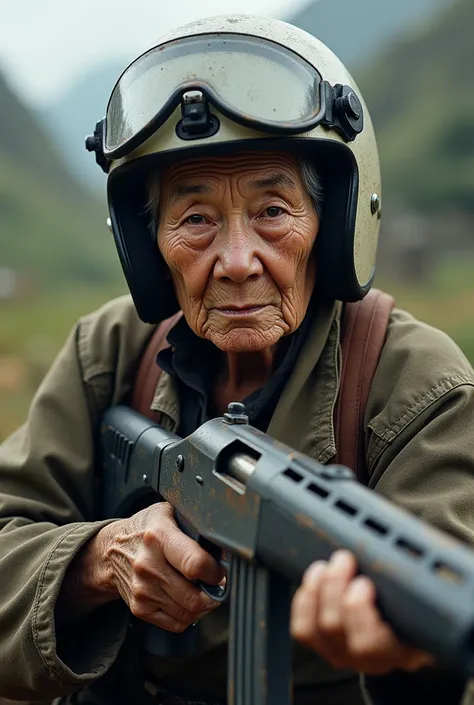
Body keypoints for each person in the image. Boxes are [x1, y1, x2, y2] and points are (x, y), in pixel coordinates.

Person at [0, 13, 473, 705]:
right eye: (196, 219)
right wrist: (99, 558)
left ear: (333, 225)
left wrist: (408, 663)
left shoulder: (415, 384)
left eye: (273, 211)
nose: (236, 261)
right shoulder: (109, 354)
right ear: (148, 242)